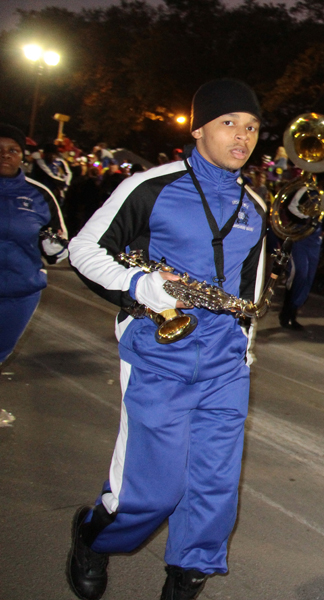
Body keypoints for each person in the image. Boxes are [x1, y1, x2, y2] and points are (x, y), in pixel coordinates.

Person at [66, 79, 267, 600]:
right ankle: (94, 535)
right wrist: (141, 285)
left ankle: (188, 572)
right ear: (197, 128)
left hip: (226, 366)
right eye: (229, 124)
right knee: (151, 491)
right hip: (159, 354)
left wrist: (244, 350)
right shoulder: (151, 186)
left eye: (251, 127)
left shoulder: (257, 206)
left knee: (216, 487)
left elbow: (250, 289)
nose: (242, 137)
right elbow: (84, 249)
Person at [0, 124, 68, 365]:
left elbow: (58, 251)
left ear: (22, 156)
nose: (5, 155)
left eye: (13, 150)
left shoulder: (39, 194)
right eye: (0, 149)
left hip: (20, 294)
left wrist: (54, 247)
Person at [279, 170, 324, 330]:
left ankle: (293, 314)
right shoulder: (306, 191)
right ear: (323, 178)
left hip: (314, 242)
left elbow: (323, 221)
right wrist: (306, 219)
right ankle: (286, 313)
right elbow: (291, 208)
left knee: (308, 277)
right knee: (299, 274)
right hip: (300, 238)